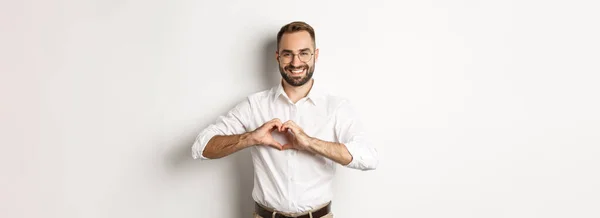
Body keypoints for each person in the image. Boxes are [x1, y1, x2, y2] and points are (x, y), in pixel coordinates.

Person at [191, 21, 379, 218]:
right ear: (278, 57)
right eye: (288, 54)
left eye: (304, 53)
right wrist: (250, 138)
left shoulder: (336, 107)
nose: (296, 63)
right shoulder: (254, 105)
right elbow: (200, 147)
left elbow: (369, 157)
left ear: (315, 55)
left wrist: (310, 143)